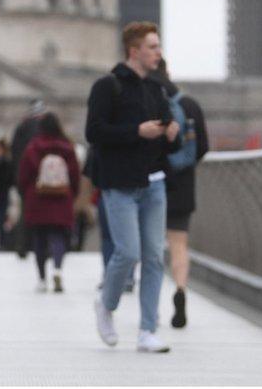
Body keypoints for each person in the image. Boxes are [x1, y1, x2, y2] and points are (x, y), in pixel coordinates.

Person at [85, 21, 179, 354]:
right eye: (152, 47)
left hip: (153, 182)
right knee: (128, 252)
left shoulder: (156, 90)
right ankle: (106, 305)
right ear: (134, 50)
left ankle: (147, 330)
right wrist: (136, 131)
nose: (158, 53)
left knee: (154, 257)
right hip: (120, 183)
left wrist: (171, 135)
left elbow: (167, 141)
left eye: (158, 46)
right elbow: (94, 132)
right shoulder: (106, 86)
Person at [149, 59, 209, 329]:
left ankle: (151, 308)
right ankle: (181, 289)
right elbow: (203, 146)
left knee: (150, 247)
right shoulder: (189, 105)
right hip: (183, 185)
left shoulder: (147, 101)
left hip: (153, 181)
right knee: (178, 245)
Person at [17, 113, 80, 293]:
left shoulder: (33, 147)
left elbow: (23, 175)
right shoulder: (67, 148)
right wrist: (71, 193)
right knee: (59, 237)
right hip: (61, 198)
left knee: (39, 239)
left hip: (37, 198)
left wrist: (26, 194)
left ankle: (42, 279)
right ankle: (58, 269)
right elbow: (75, 174)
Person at [10, 99, 46, 258]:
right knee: (45, 212)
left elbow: (14, 154)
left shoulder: (21, 127)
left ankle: (22, 246)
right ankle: (43, 246)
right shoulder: (44, 128)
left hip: (24, 177)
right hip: (44, 177)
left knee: (25, 212)